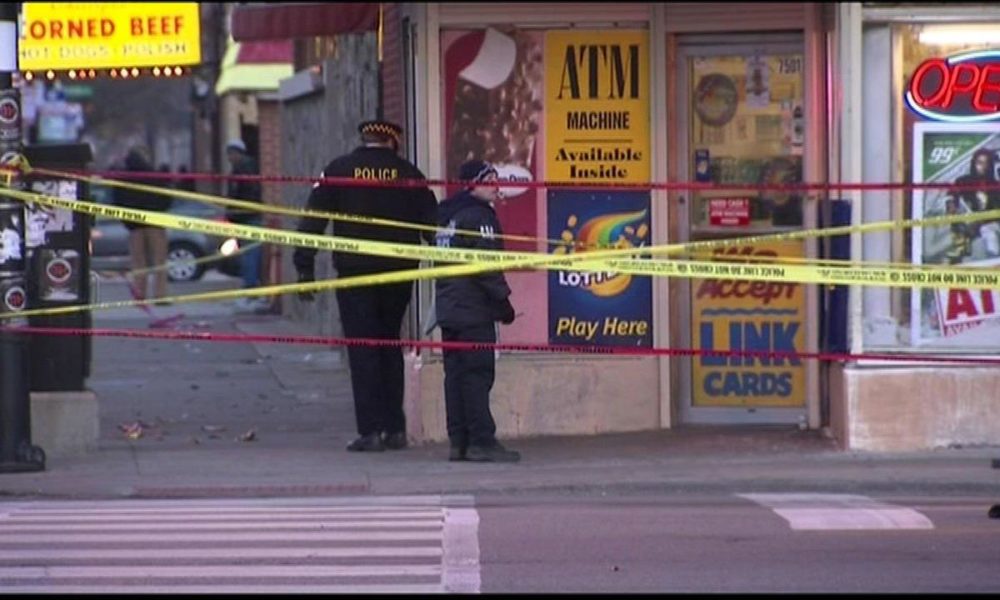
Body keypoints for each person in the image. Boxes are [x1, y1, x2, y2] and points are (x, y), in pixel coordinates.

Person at [293, 119, 438, 453]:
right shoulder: (409, 174)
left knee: (363, 349)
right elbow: (432, 225)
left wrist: (305, 268)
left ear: (364, 138)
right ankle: (395, 428)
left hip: (355, 273)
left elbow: (311, 221)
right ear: (393, 141)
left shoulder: (339, 170)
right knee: (389, 344)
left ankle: (370, 430)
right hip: (397, 274)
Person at [434, 160, 520, 463]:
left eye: (497, 179)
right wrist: (504, 305)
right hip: (473, 311)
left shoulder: (448, 217)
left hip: (449, 308)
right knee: (476, 375)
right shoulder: (479, 217)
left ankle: (458, 441)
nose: (496, 186)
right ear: (471, 184)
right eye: (488, 180)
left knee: (455, 376)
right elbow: (486, 269)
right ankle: (481, 441)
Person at [113, 145, 172, 302]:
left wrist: (127, 221)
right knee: (159, 260)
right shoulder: (154, 175)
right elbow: (167, 197)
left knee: (139, 261)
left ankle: (140, 294)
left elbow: (118, 201)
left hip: (134, 225)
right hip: (155, 222)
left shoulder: (123, 178)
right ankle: (160, 295)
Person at [224, 139, 267, 313]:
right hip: (243, 219)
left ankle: (251, 289)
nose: (229, 157)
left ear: (238, 153)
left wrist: (237, 211)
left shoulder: (244, 169)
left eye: (231, 153)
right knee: (247, 255)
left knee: (250, 256)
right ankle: (250, 288)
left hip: (248, 218)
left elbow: (246, 195)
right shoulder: (239, 169)